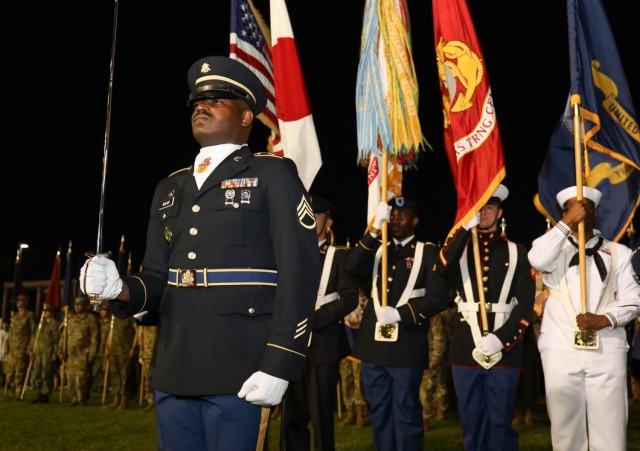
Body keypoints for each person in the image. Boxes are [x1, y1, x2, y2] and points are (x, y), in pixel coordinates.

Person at [79, 55, 319, 450]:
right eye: (196, 102)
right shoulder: (170, 188)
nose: (201, 106)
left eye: (217, 99)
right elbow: (157, 277)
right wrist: (119, 288)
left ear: (246, 118)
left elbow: (299, 272)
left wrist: (281, 361)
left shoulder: (273, 174)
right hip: (176, 365)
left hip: (242, 366)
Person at [528, 185, 640, 451]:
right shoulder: (553, 250)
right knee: (566, 433)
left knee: (610, 433)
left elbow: (634, 298)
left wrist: (606, 318)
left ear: (596, 213)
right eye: (573, 207)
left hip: (607, 349)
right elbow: (537, 259)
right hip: (560, 349)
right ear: (564, 213)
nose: (581, 211)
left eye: (587, 206)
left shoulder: (620, 253)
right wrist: (566, 224)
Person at [433, 184, 535, 450]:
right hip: (466, 347)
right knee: (471, 422)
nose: (485, 213)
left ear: (500, 212)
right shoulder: (461, 249)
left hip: (505, 349)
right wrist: (464, 228)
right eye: (479, 207)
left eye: (490, 207)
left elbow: (525, 305)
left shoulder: (518, 252)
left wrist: (502, 340)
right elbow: (440, 269)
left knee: (501, 423)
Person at [346, 196, 450, 451]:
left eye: (401, 215)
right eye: (391, 215)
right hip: (373, 346)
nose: (394, 219)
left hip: (406, 343)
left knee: (406, 411)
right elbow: (351, 266)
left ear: (415, 221)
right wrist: (372, 231)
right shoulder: (377, 249)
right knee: (379, 410)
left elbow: (438, 299)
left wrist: (402, 314)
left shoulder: (428, 252)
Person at [283, 194, 359, 451]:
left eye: (315, 217)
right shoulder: (288, 254)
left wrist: (315, 319)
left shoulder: (340, 256)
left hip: (324, 344)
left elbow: (349, 299)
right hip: (291, 343)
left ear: (328, 222)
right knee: (292, 415)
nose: (309, 220)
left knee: (321, 415)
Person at [420, 301, 455, 430]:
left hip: (431, 356)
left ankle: (426, 417)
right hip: (418, 355)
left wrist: (436, 357)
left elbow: (439, 336)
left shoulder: (433, 314)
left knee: (429, 387)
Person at [58, 296, 99, 406]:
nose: (77, 307)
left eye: (79, 304)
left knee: (82, 378)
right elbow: (64, 336)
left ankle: (82, 399)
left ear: (84, 306)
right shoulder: (71, 319)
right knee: (70, 378)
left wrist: (92, 353)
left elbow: (94, 337)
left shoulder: (91, 319)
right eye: (75, 305)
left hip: (83, 353)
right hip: (71, 354)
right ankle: (73, 399)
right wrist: (61, 350)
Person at [338, 287, 369, 428]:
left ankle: (361, 413)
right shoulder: (340, 295)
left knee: (359, 379)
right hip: (344, 342)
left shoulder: (363, 297)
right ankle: (350, 411)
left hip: (359, 343)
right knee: (346, 378)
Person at [3, 294, 36, 400]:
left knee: (19, 372)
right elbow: (11, 333)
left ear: (25, 302)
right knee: (10, 374)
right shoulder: (15, 316)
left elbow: (33, 332)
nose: (19, 303)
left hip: (22, 348)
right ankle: (12, 392)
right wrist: (6, 345)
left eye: (21, 301)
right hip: (13, 348)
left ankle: (18, 393)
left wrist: (30, 347)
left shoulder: (29, 315)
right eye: (18, 301)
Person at [103, 316, 137, 409]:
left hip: (125, 350)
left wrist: (133, 347)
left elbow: (137, 332)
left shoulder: (130, 317)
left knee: (125, 376)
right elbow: (111, 332)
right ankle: (116, 399)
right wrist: (107, 347)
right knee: (115, 375)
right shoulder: (114, 317)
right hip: (113, 350)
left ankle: (124, 400)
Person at [29, 303, 59, 404]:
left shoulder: (54, 324)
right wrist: (31, 349)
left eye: (46, 311)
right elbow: (35, 337)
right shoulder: (41, 323)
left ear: (51, 313)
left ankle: (46, 394)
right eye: (44, 311)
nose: (45, 313)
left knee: (46, 373)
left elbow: (56, 340)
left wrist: (55, 353)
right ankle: (40, 393)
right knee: (37, 373)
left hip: (48, 352)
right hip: (38, 352)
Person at [0, 321, 9, 388]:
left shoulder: (8, 333)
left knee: (6, 370)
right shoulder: (1, 333)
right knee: (1, 369)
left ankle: (5, 383)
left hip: (7, 355)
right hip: (1, 354)